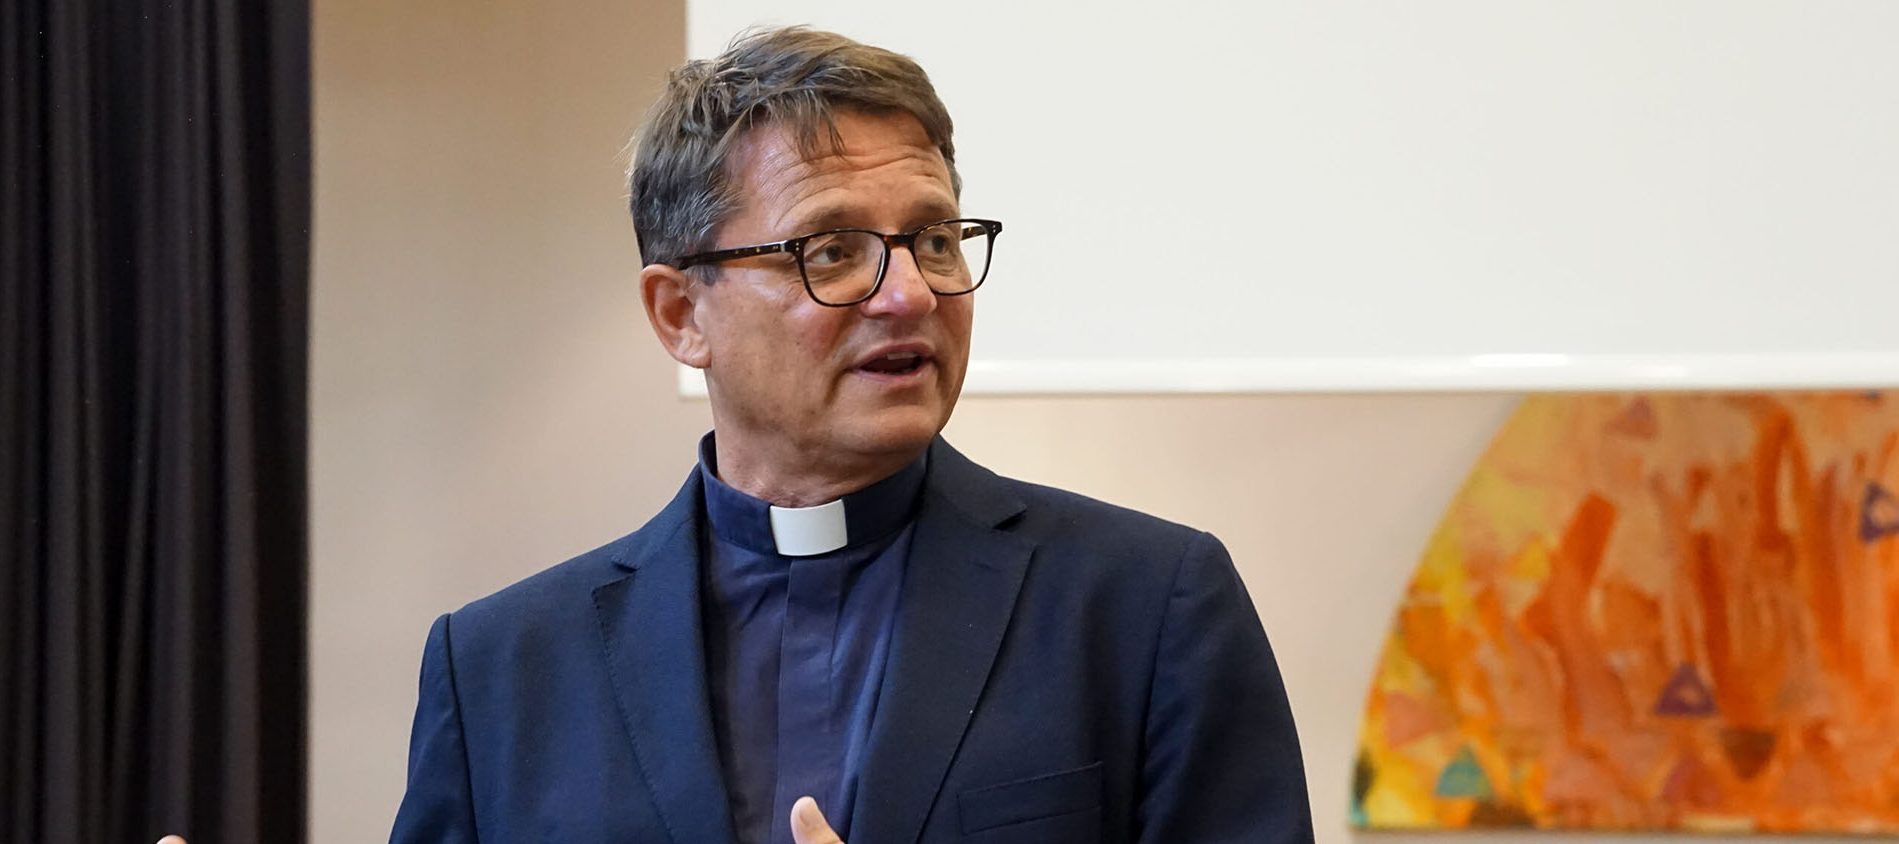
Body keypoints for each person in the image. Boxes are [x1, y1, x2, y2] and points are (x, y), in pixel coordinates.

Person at [385, 25, 1313, 844]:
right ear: (680, 315)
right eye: (830, 251)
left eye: (936, 238)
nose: (911, 293)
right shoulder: (503, 668)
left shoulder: (1147, 609)